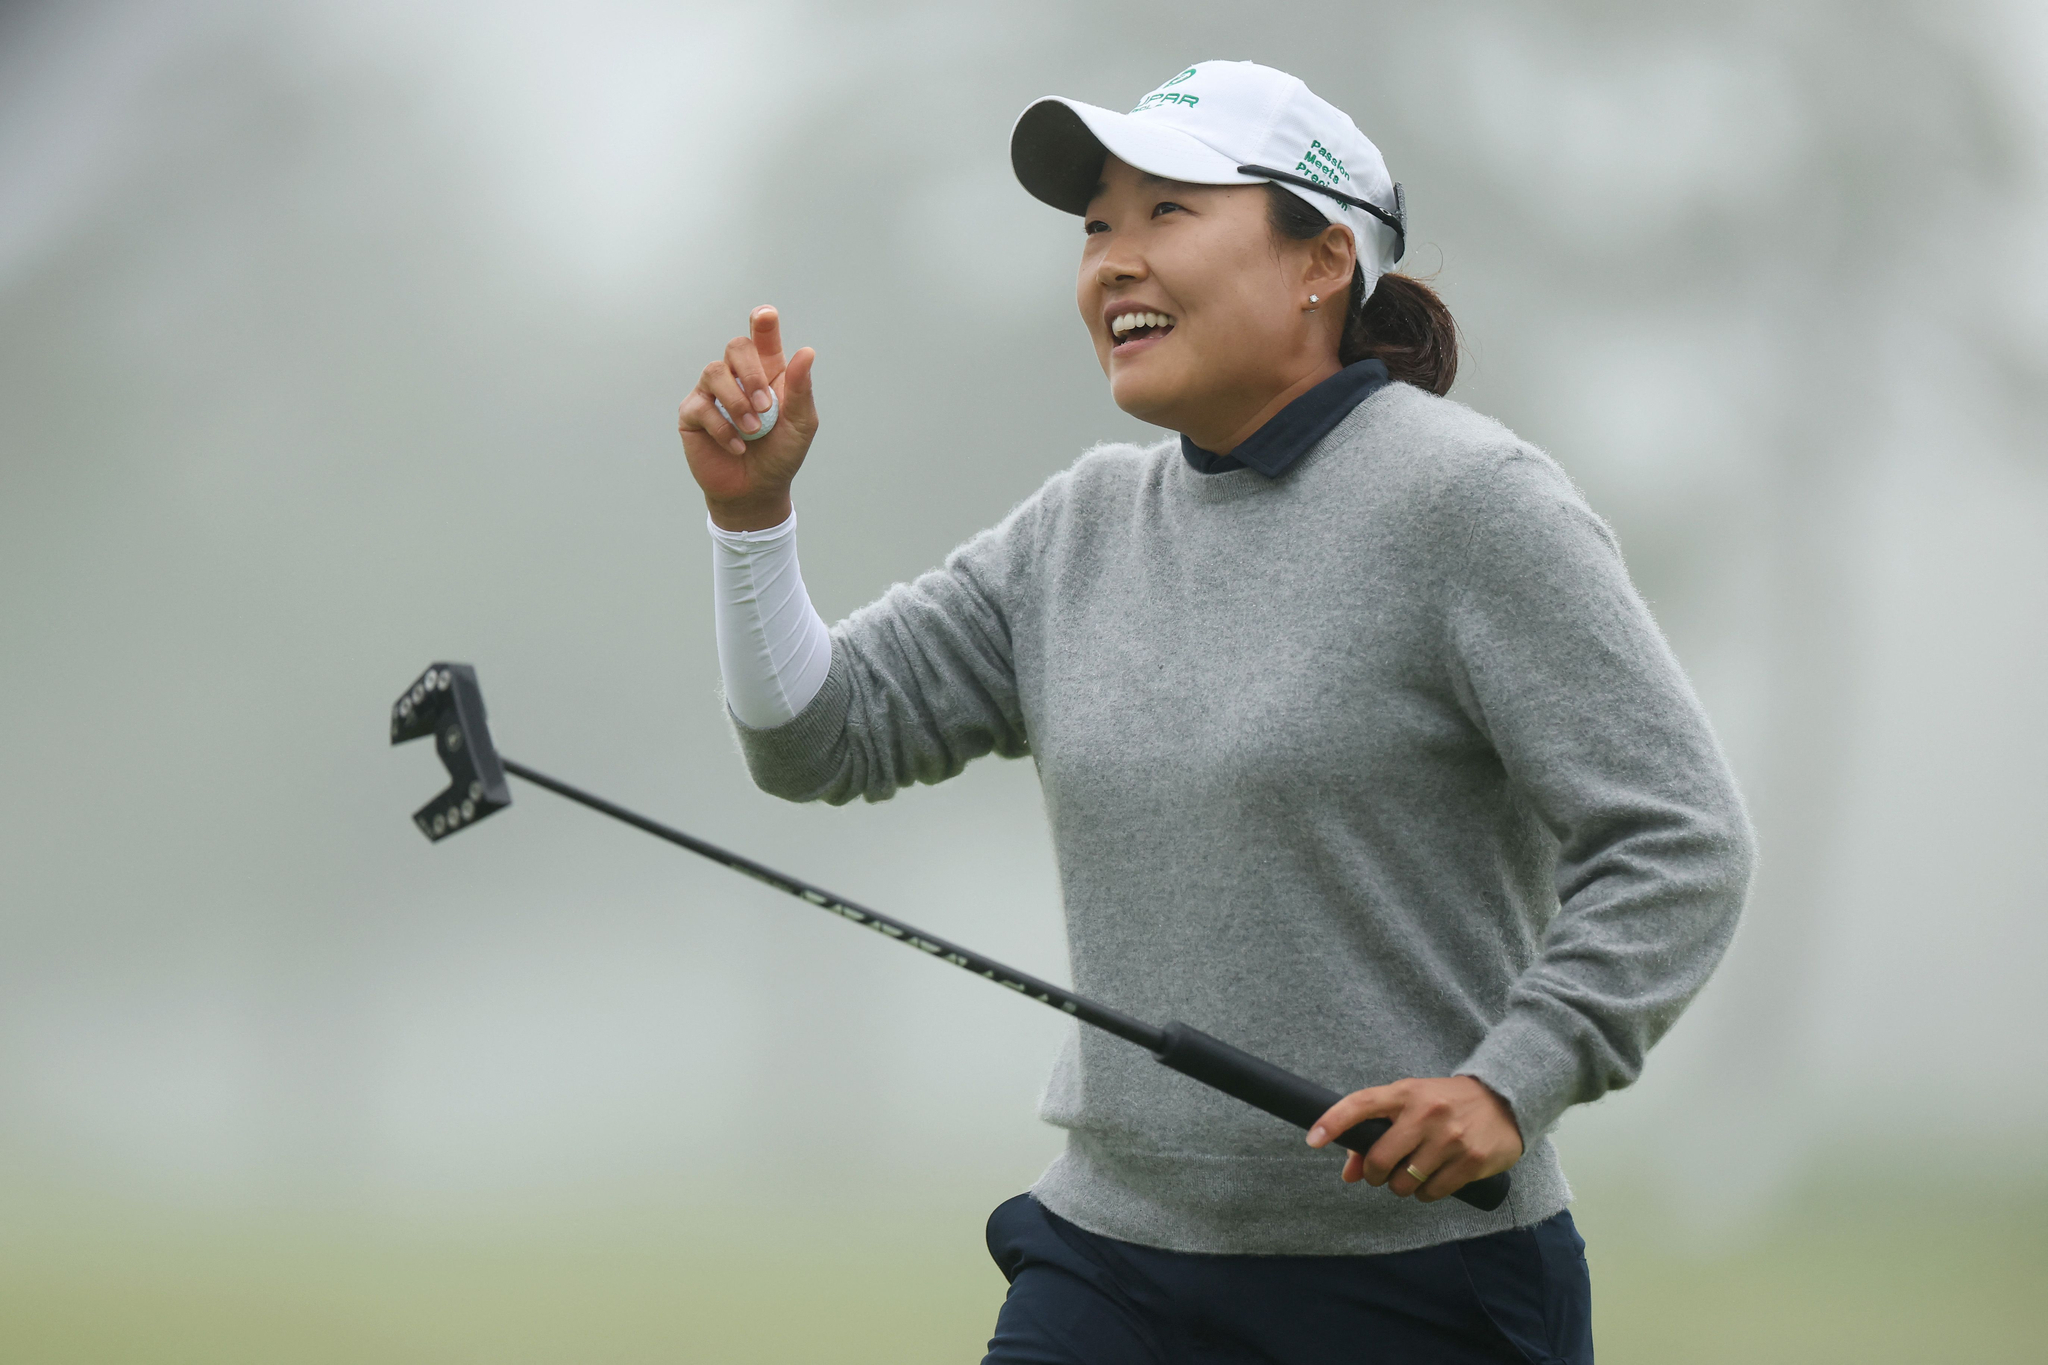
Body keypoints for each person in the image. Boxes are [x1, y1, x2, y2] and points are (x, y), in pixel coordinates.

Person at [676, 59, 1752, 1365]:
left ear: (1321, 261)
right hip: (1109, 1269)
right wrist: (752, 523)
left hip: (1421, 1288)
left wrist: (1511, 1076)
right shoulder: (1080, 527)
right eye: (1095, 229)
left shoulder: (1470, 505)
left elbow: (1679, 834)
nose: (1111, 264)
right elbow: (816, 735)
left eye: (1167, 215)